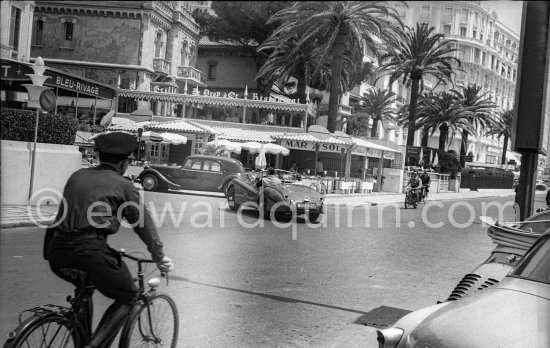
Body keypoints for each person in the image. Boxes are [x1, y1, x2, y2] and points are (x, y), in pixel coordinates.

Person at [45, 131, 173, 348]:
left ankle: (82, 337)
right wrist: (159, 257)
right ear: (124, 163)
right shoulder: (124, 186)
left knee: (85, 288)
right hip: (90, 252)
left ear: (100, 156)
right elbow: (143, 225)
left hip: (57, 252)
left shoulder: (77, 176)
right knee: (129, 295)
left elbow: (59, 218)